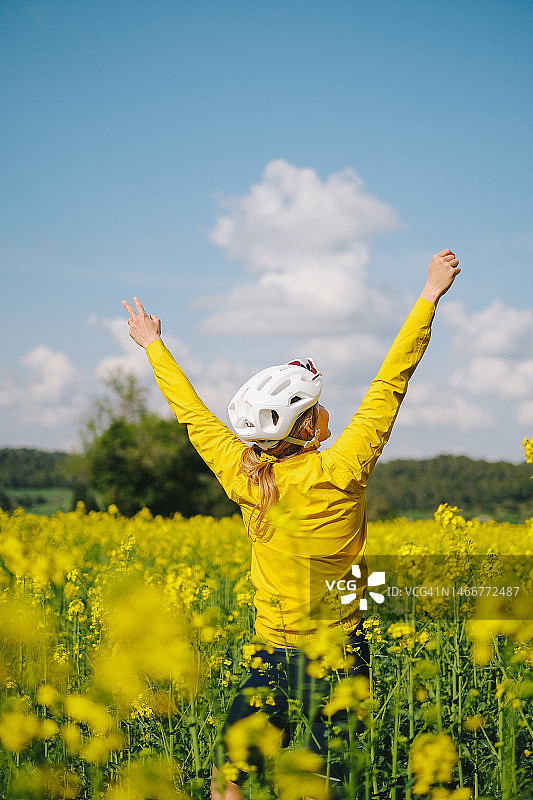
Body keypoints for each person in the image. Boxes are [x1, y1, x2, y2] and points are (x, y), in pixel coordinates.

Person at [122, 248, 460, 799]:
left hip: (272, 655)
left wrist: (153, 345)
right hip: (340, 654)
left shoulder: (245, 479)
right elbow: (390, 382)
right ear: (305, 428)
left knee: (227, 782)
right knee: (332, 785)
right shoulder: (343, 468)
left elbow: (193, 415)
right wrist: (429, 295)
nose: (326, 412)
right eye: (318, 408)